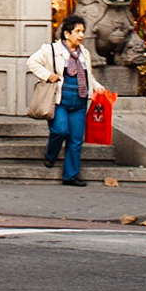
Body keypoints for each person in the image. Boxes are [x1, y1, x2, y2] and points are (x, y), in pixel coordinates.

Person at [29, 15, 106, 186]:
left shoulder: (84, 53)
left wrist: (97, 86)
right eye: (77, 31)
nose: (81, 35)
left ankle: (70, 176)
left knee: (76, 139)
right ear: (66, 33)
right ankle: (50, 154)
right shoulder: (51, 50)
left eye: (82, 32)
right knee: (61, 131)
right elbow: (32, 62)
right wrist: (48, 75)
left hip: (79, 101)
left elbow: (87, 75)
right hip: (60, 100)